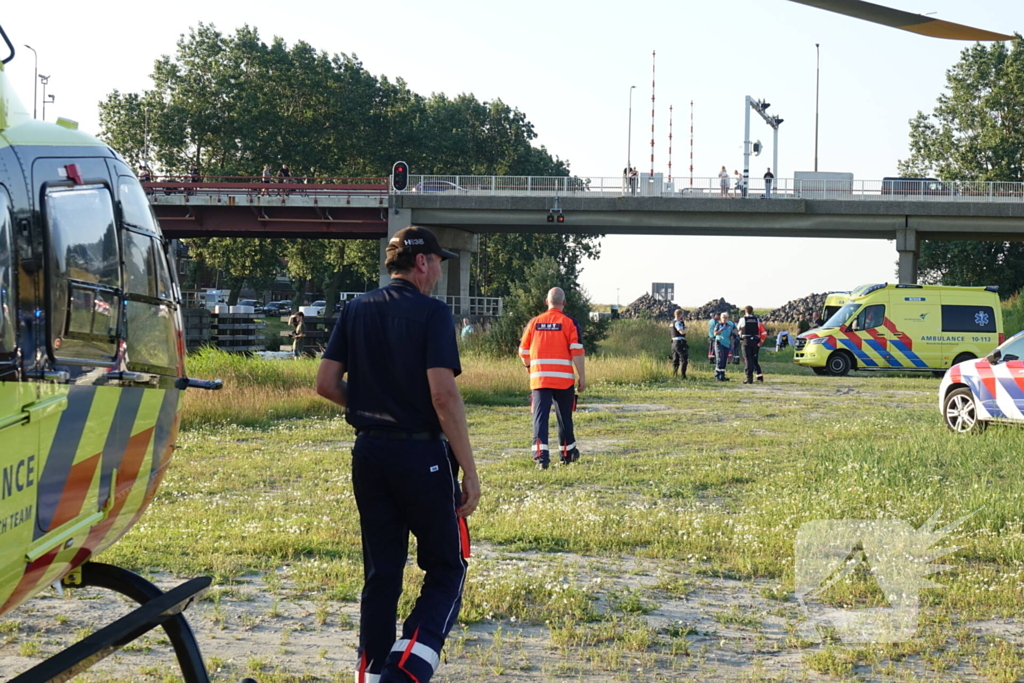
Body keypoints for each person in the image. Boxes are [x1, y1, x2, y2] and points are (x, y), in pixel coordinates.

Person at [315, 226, 479, 683]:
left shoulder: (356, 308)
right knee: (447, 567)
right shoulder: (432, 314)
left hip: (368, 453)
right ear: (422, 262)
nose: (440, 272)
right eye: (439, 262)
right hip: (419, 454)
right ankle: (403, 672)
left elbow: (326, 384)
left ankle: (369, 674)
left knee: (381, 573)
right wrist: (468, 469)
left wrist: (372, 406)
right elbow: (443, 397)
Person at [519, 287, 586, 469]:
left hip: (540, 378)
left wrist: (529, 368)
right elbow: (577, 351)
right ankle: (567, 454)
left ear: (546, 301)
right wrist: (582, 377)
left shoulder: (534, 322)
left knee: (540, 418)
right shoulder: (569, 322)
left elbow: (523, 351)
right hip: (563, 380)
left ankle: (541, 458)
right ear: (563, 303)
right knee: (564, 417)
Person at [736, 306, 768, 383]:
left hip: (746, 341)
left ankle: (749, 378)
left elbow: (738, 328)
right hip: (755, 342)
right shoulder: (757, 320)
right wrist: (760, 342)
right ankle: (757, 376)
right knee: (753, 359)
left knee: (747, 359)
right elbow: (763, 332)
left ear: (745, 311)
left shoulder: (743, 319)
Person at [711, 312, 738, 381]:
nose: (724, 319)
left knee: (724, 360)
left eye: (726, 317)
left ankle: (722, 376)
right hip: (719, 343)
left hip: (726, 344)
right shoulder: (718, 325)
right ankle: (717, 376)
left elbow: (732, 334)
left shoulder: (729, 326)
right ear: (721, 318)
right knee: (720, 359)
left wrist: (732, 344)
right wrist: (721, 330)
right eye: (723, 317)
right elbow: (714, 333)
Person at [670, 309, 689, 378]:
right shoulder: (678, 323)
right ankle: (683, 375)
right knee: (684, 359)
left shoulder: (672, 322)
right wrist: (686, 328)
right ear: (680, 315)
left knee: (675, 359)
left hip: (673, 343)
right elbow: (681, 332)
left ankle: (674, 374)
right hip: (680, 343)